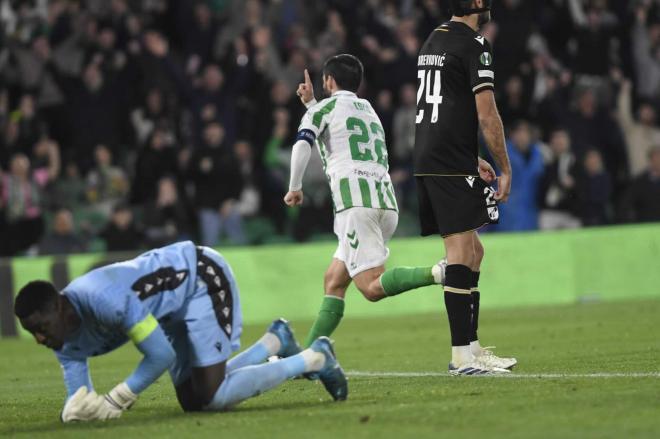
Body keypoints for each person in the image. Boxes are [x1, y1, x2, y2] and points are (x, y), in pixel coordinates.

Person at [13, 241, 347, 423]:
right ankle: (275, 341)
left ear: (59, 307)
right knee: (193, 400)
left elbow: (161, 354)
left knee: (213, 398)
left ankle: (314, 358)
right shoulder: (61, 340)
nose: (41, 340)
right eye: (33, 333)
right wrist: (74, 413)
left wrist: (119, 397)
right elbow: (80, 400)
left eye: (41, 329)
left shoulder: (105, 300)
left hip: (200, 279)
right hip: (169, 311)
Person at [284, 54, 483, 348]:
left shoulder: (324, 110)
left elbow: (304, 143)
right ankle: (307, 357)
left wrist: (295, 186)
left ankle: (439, 271)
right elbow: (337, 134)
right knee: (334, 281)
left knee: (371, 288)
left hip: (355, 205)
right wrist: (312, 105)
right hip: (386, 203)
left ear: (328, 80)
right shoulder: (369, 111)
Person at [413, 0, 516, 375]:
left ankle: (472, 349)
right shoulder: (475, 44)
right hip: (447, 163)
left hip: (437, 156)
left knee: (474, 250)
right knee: (459, 252)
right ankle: (461, 356)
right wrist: (505, 167)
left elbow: (442, 107)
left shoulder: (433, 40)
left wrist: (471, 157)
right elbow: (486, 114)